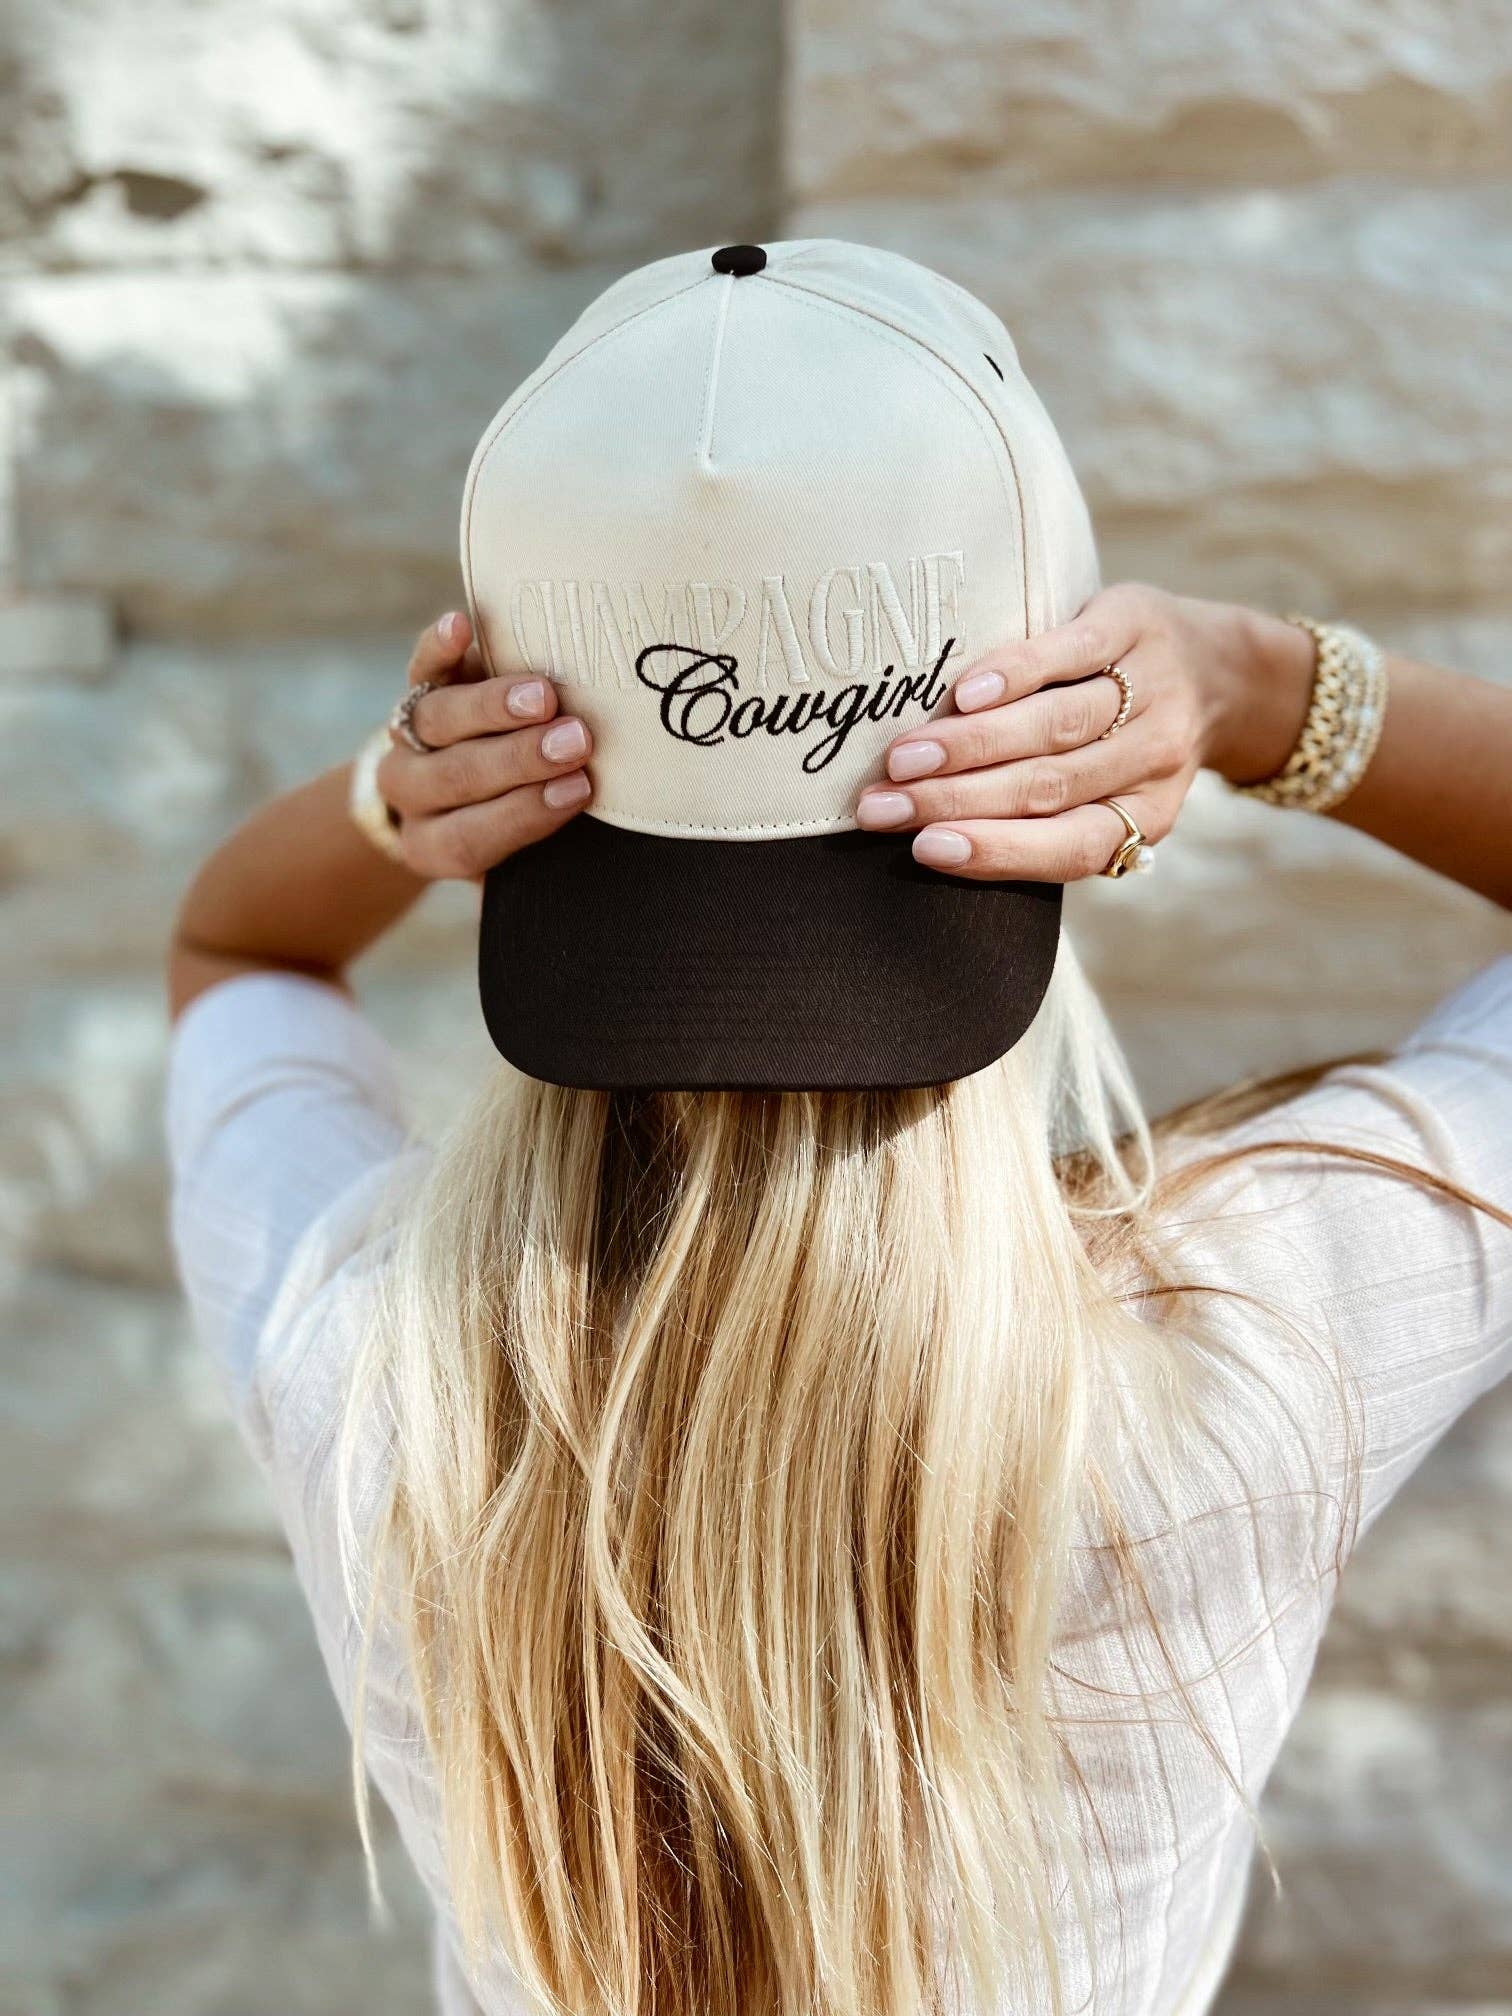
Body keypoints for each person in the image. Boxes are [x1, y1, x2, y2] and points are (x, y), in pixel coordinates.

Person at [167, 241, 1512, 2016]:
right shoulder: (1256, 1347)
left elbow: (235, 951)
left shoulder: (368, 1374)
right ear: (1061, 743)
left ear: (521, 789)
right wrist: (1266, 691)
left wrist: (395, 800)